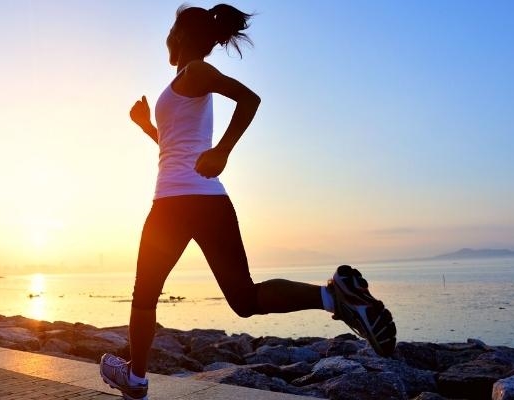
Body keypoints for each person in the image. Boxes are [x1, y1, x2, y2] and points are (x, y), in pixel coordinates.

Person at [100, 4, 397, 399]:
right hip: (205, 201)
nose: (166, 39)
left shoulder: (196, 71)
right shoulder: (183, 82)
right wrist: (146, 127)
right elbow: (173, 147)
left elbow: (249, 99)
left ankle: (136, 379)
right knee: (243, 299)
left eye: (170, 32)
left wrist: (223, 150)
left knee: (145, 295)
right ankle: (335, 298)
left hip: (174, 204)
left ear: (181, 35)